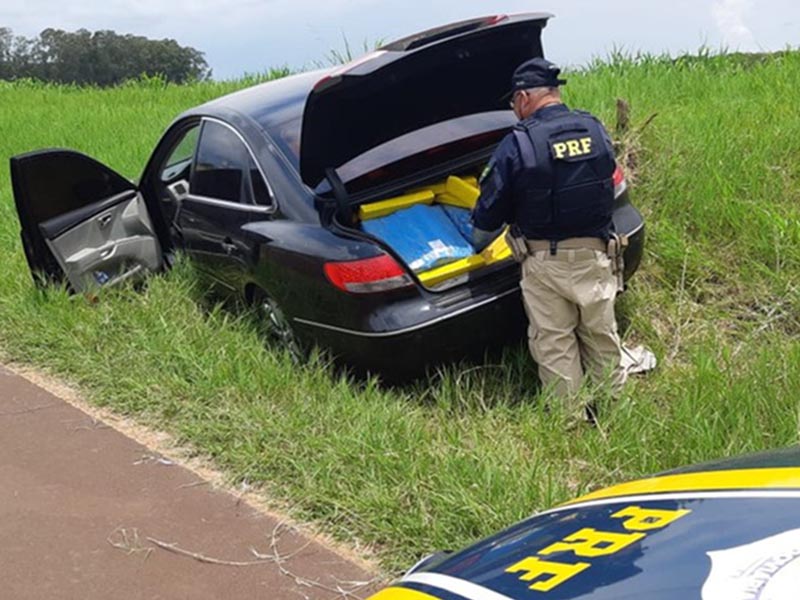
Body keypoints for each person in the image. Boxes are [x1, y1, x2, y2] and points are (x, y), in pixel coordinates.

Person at [471, 57, 626, 423]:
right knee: (602, 335)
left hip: (545, 264)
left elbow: (488, 215)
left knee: (554, 342)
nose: (514, 110)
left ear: (524, 97)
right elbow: (612, 183)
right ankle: (616, 414)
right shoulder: (595, 128)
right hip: (598, 256)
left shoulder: (518, 144)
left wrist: (476, 241)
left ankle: (569, 421)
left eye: (513, 102)